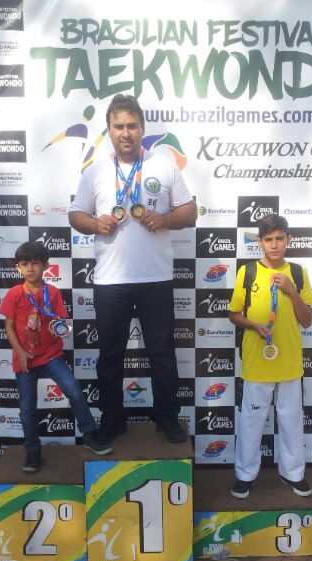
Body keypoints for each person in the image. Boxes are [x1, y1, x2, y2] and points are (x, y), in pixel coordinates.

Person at [69, 94, 197, 448]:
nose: (125, 133)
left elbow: (190, 211)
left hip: (156, 279)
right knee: (110, 356)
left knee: (162, 354)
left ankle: (167, 417)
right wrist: (95, 224)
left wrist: (165, 219)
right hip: (111, 281)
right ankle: (113, 420)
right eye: (118, 126)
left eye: (132, 126)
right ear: (109, 130)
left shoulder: (164, 165)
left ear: (142, 128)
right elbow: (75, 214)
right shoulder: (95, 170)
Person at [0, 241, 109, 472]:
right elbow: (8, 326)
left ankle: (89, 434)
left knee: (74, 390)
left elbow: (62, 323)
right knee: (27, 409)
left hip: (51, 356)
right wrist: (20, 352)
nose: (30, 269)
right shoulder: (14, 294)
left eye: (35, 263)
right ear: (18, 268)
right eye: (24, 264)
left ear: (46, 266)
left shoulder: (53, 292)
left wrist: (58, 328)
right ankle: (32, 450)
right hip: (25, 360)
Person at [228, 214, 312, 498]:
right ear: (260, 242)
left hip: (289, 364)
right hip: (256, 363)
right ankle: (245, 475)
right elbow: (234, 315)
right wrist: (253, 325)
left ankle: (294, 474)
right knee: (251, 424)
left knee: (291, 423)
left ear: (289, 239)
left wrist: (291, 291)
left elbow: (307, 321)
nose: (275, 245)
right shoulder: (247, 272)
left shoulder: (298, 272)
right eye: (268, 239)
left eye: (280, 238)